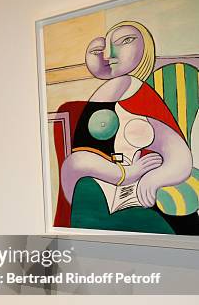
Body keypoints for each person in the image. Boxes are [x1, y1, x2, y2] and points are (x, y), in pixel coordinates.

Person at [59, 21, 195, 233]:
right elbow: (76, 162)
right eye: (101, 48)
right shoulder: (97, 101)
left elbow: (180, 157)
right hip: (101, 195)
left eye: (126, 41)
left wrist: (153, 178)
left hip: (144, 199)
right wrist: (123, 173)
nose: (109, 54)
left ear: (144, 49)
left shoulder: (140, 94)